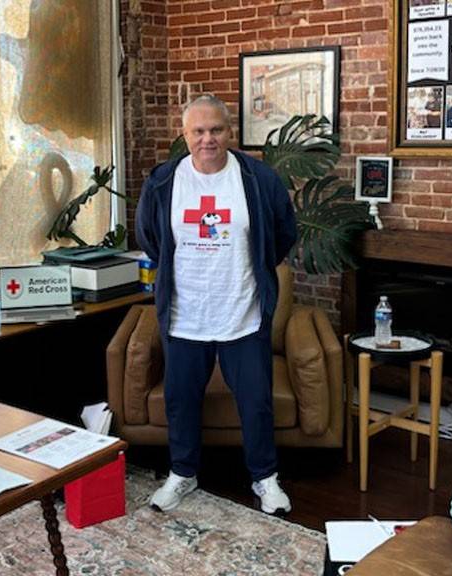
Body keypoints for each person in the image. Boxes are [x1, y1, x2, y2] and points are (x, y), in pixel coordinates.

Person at [135, 95, 297, 515]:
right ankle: (183, 473)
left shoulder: (259, 179)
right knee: (180, 399)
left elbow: (282, 234)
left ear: (230, 131)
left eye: (216, 130)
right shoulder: (163, 182)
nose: (208, 139)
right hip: (184, 316)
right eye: (198, 132)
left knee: (256, 401)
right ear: (184, 135)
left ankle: (265, 478)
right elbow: (150, 238)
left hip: (242, 313)